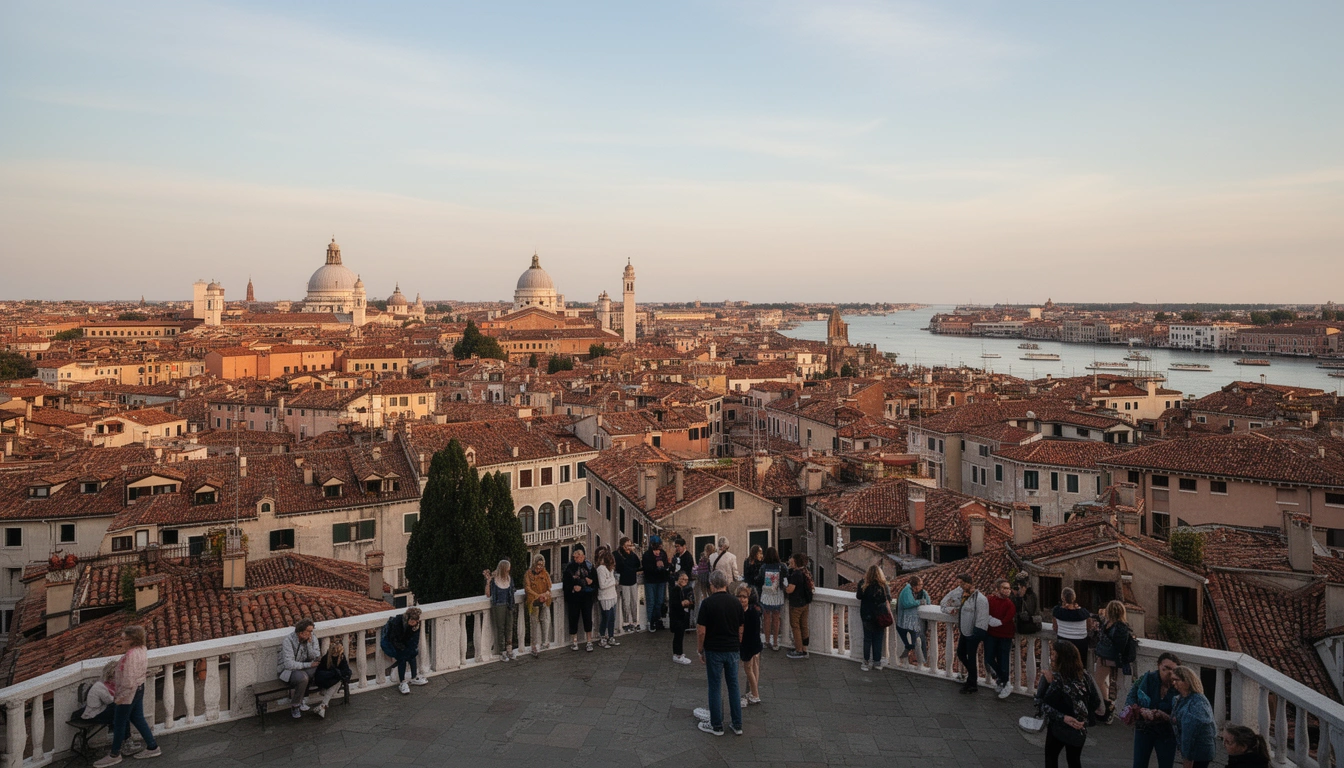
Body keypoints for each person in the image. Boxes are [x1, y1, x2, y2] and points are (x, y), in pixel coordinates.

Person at [93, 626, 161, 766]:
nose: (121, 642)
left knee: (119, 723)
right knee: (137, 718)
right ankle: (152, 747)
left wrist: (120, 698)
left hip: (129, 692)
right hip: (139, 688)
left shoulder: (130, 655)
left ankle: (114, 754)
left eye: (124, 639)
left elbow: (128, 681)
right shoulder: (142, 649)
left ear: (132, 640)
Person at [1035, 640, 1102, 768]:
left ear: (1062, 657)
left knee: (1051, 758)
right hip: (1079, 728)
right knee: (1074, 760)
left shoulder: (1057, 679)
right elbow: (1096, 702)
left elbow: (1041, 705)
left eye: (1054, 654)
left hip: (1059, 727)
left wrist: (1064, 718)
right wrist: (1082, 719)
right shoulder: (1085, 676)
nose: (1051, 656)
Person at [696, 570, 744, 737]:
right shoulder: (736, 603)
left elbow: (701, 631)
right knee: (734, 686)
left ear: (712, 584)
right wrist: (737, 644)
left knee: (715, 687)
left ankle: (716, 725)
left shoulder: (707, 603)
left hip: (714, 650)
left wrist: (700, 650)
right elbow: (740, 629)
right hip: (732, 649)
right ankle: (737, 724)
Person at [1125, 651, 1181, 768]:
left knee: (1166, 765)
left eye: (1173, 670)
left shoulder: (1179, 686)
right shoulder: (1147, 679)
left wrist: (1164, 715)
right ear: (1158, 665)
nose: (1169, 673)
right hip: (1144, 728)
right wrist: (1140, 710)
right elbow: (1131, 697)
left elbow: (1182, 712)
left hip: (1166, 732)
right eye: (1166, 668)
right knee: (1139, 764)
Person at [940, 574, 990, 693]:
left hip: (973, 633)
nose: (960, 586)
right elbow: (944, 603)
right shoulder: (962, 595)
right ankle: (973, 676)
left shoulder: (980, 599)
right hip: (964, 630)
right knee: (961, 653)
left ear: (969, 583)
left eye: (962, 583)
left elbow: (982, 618)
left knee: (971, 657)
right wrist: (949, 610)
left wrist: (976, 634)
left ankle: (972, 683)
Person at [1093, 600, 1136, 722]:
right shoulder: (1118, 626)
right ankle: (1109, 707)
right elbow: (1119, 646)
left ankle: (1108, 708)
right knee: (1107, 683)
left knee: (1105, 683)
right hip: (1109, 658)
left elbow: (1116, 645)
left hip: (1107, 658)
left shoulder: (1112, 625)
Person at [1171, 666, 1216, 768]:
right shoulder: (1180, 699)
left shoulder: (1198, 702)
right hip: (1192, 749)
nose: (1174, 683)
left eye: (1176, 680)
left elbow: (1190, 732)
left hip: (1199, 752)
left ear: (1186, 681)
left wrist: (1187, 757)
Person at [278, 618, 321, 718]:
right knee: (303, 677)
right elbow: (289, 664)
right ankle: (295, 705)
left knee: (318, 670)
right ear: (301, 632)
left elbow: (315, 656)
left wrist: (309, 644)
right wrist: (308, 665)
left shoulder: (312, 637)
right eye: (309, 631)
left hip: (303, 667)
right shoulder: (288, 641)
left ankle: (304, 699)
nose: (311, 633)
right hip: (288, 671)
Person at [381, 607, 428, 694]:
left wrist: (410, 649)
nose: (414, 624)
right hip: (393, 645)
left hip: (405, 644)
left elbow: (414, 639)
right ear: (408, 618)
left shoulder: (416, 625)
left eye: (416, 621)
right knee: (402, 659)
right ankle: (402, 682)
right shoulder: (398, 622)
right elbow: (394, 639)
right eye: (413, 622)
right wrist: (403, 649)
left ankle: (414, 677)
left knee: (412, 655)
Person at [985, 578, 1017, 698]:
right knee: (989, 658)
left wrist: (996, 621)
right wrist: (990, 619)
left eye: (1008, 588)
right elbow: (984, 610)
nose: (1007, 590)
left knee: (1003, 660)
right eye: (1004, 588)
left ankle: (1004, 682)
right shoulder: (990, 600)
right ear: (998, 589)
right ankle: (1003, 680)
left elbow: (1006, 619)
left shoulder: (1010, 604)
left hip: (1005, 635)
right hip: (991, 634)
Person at [856, 564, 891, 671]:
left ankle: (866, 662)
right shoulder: (883, 585)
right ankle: (877, 662)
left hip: (866, 615)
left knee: (867, 639)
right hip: (880, 616)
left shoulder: (863, 584)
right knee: (878, 639)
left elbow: (858, 596)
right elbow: (888, 598)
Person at [483, 560, 518, 661]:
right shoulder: (495, 580)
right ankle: (502, 650)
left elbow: (512, 590)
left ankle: (509, 649)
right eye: (507, 569)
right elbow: (488, 594)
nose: (508, 570)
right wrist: (488, 582)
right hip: (499, 605)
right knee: (501, 628)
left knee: (509, 627)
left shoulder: (509, 579)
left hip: (509, 604)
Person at [563, 547, 597, 651]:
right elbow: (566, 584)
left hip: (587, 596)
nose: (579, 558)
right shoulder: (569, 568)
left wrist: (590, 582)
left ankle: (589, 641)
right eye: (577, 556)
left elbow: (595, 581)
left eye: (581, 556)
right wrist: (573, 587)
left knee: (587, 617)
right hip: (574, 597)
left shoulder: (590, 567)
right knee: (573, 618)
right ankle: (574, 641)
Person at [312, 638, 352, 719]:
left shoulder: (341, 658)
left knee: (338, 680)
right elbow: (321, 674)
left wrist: (338, 674)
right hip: (324, 680)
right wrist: (334, 673)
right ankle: (323, 705)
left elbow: (346, 670)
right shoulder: (326, 659)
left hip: (332, 679)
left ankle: (323, 706)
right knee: (338, 680)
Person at [783, 553, 814, 659]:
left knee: (795, 626)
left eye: (792, 561)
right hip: (805, 603)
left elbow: (790, 590)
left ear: (796, 562)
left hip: (796, 604)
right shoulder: (805, 571)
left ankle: (798, 650)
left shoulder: (796, 574)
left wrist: (784, 587)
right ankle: (805, 649)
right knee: (804, 626)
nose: (790, 562)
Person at [1052, 588, 1091, 669]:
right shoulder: (1084, 613)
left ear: (1063, 598)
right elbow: (1089, 627)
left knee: (1062, 668)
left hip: (1063, 643)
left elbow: (1055, 628)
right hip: (1080, 644)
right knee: (1080, 668)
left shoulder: (1057, 611)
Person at [737, 584, 763, 705]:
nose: (741, 599)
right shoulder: (754, 611)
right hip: (755, 645)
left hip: (749, 645)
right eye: (739, 597)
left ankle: (755, 694)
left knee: (748, 669)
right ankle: (753, 691)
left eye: (744, 597)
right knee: (753, 668)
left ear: (748, 598)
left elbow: (748, 633)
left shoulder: (749, 613)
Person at [896, 575, 930, 664]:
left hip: (912, 621)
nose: (921, 586)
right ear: (915, 586)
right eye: (920, 585)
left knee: (918, 639)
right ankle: (919, 658)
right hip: (908, 622)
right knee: (916, 640)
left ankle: (917, 657)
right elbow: (908, 603)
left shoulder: (922, 592)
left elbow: (928, 602)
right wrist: (920, 602)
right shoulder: (907, 591)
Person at [524, 555, 552, 657]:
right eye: (538, 564)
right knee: (534, 623)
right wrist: (537, 596)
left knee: (545, 620)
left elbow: (549, 587)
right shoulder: (528, 574)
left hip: (544, 600)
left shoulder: (545, 574)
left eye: (541, 565)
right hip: (533, 601)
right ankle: (534, 645)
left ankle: (545, 641)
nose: (539, 567)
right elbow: (527, 588)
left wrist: (545, 595)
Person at [642, 535, 671, 631]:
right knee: (651, 602)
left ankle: (657, 620)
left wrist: (664, 566)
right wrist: (656, 566)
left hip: (661, 580)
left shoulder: (663, 553)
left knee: (659, 602)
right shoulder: (647, 555)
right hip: (650, 581)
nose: (658, 548)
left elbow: (666, 565)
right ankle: (650, 622)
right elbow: (646, 568)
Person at [758, 547, 785, 651]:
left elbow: (760, 579)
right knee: (776, 619)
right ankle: (775, 643)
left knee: (766, 618)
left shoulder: (763, 567)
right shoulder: (782, 566)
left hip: (766, 594)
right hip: (777, 594)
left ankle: (767, 641)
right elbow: (785, 578)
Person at [79, 661, 120, 728]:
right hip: (92, 715)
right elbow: (109, 700)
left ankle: (123, 734)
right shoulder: (100, 686)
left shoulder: (105, 684)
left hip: (98, 711)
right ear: (110, 677)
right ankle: (122, 734)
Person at [614, 536, 642, 632]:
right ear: (622, 546)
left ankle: (635, 622)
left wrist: (633, 554)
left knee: (634, 602)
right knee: (626, 602)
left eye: (630, 545)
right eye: (627, 545)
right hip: (624, 582)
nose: (629, 547)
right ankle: (626, 622)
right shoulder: (617, 555)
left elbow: (638, 564)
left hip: (633, 581)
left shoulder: (633, 555)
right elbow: (620, 567)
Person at [669, 569, 696, 664]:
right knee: (678, 636)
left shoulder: (684, 590)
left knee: (680, 635)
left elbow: (691, 602)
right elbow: (675, 604)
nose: (685, 581)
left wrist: (688, 603)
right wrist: (683, 603)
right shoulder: (675, 590)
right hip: (677, 617)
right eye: (683, 579)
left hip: (681, 616)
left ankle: (678, 653)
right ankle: (678, 654)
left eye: (686, 579)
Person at [596, 549, 621, 648]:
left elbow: (610, 581)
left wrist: (611, 580)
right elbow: (602, 584)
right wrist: (613, 581)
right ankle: (602, 637)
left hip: (612, 595)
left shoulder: (610, 569)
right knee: (605, 618)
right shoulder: (601, 569)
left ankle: (611, 636)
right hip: (605, 597)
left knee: (612, 618)